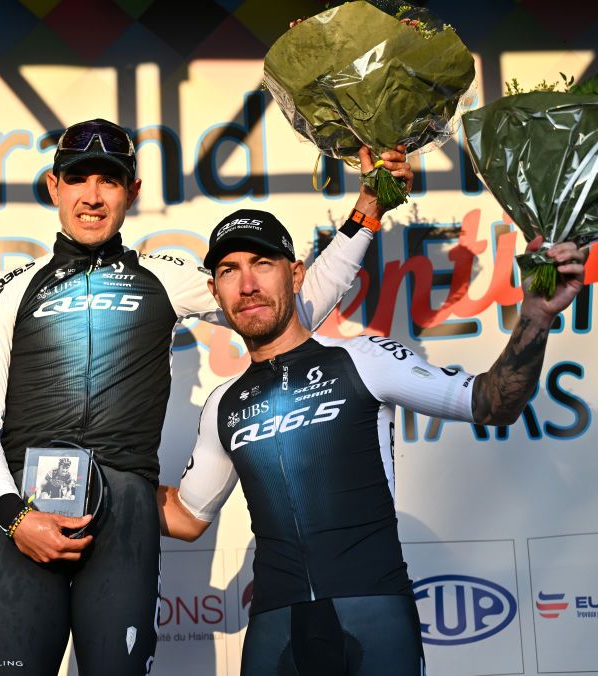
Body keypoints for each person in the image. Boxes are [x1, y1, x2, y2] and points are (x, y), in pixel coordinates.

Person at [0, 117, 413, 675]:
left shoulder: (164, 276)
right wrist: (14, 516)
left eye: (109, 179)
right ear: (54, 187)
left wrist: (367, 212)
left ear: (134, 191)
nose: (93, 196)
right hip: (24, 516)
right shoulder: (6, 289)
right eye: (78, 179)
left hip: (125, 512)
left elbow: (281, 310)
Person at [157, 215, 587, 675]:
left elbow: (491, 402)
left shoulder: (363, 359)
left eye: (262, 263)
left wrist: (536, 317)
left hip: (375, 616)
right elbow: (185, 516)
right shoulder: (222, 402)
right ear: (216, 291)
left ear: (296, 273)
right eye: (228, 271)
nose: (246, 284)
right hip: (275, 626)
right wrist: (106, 490)